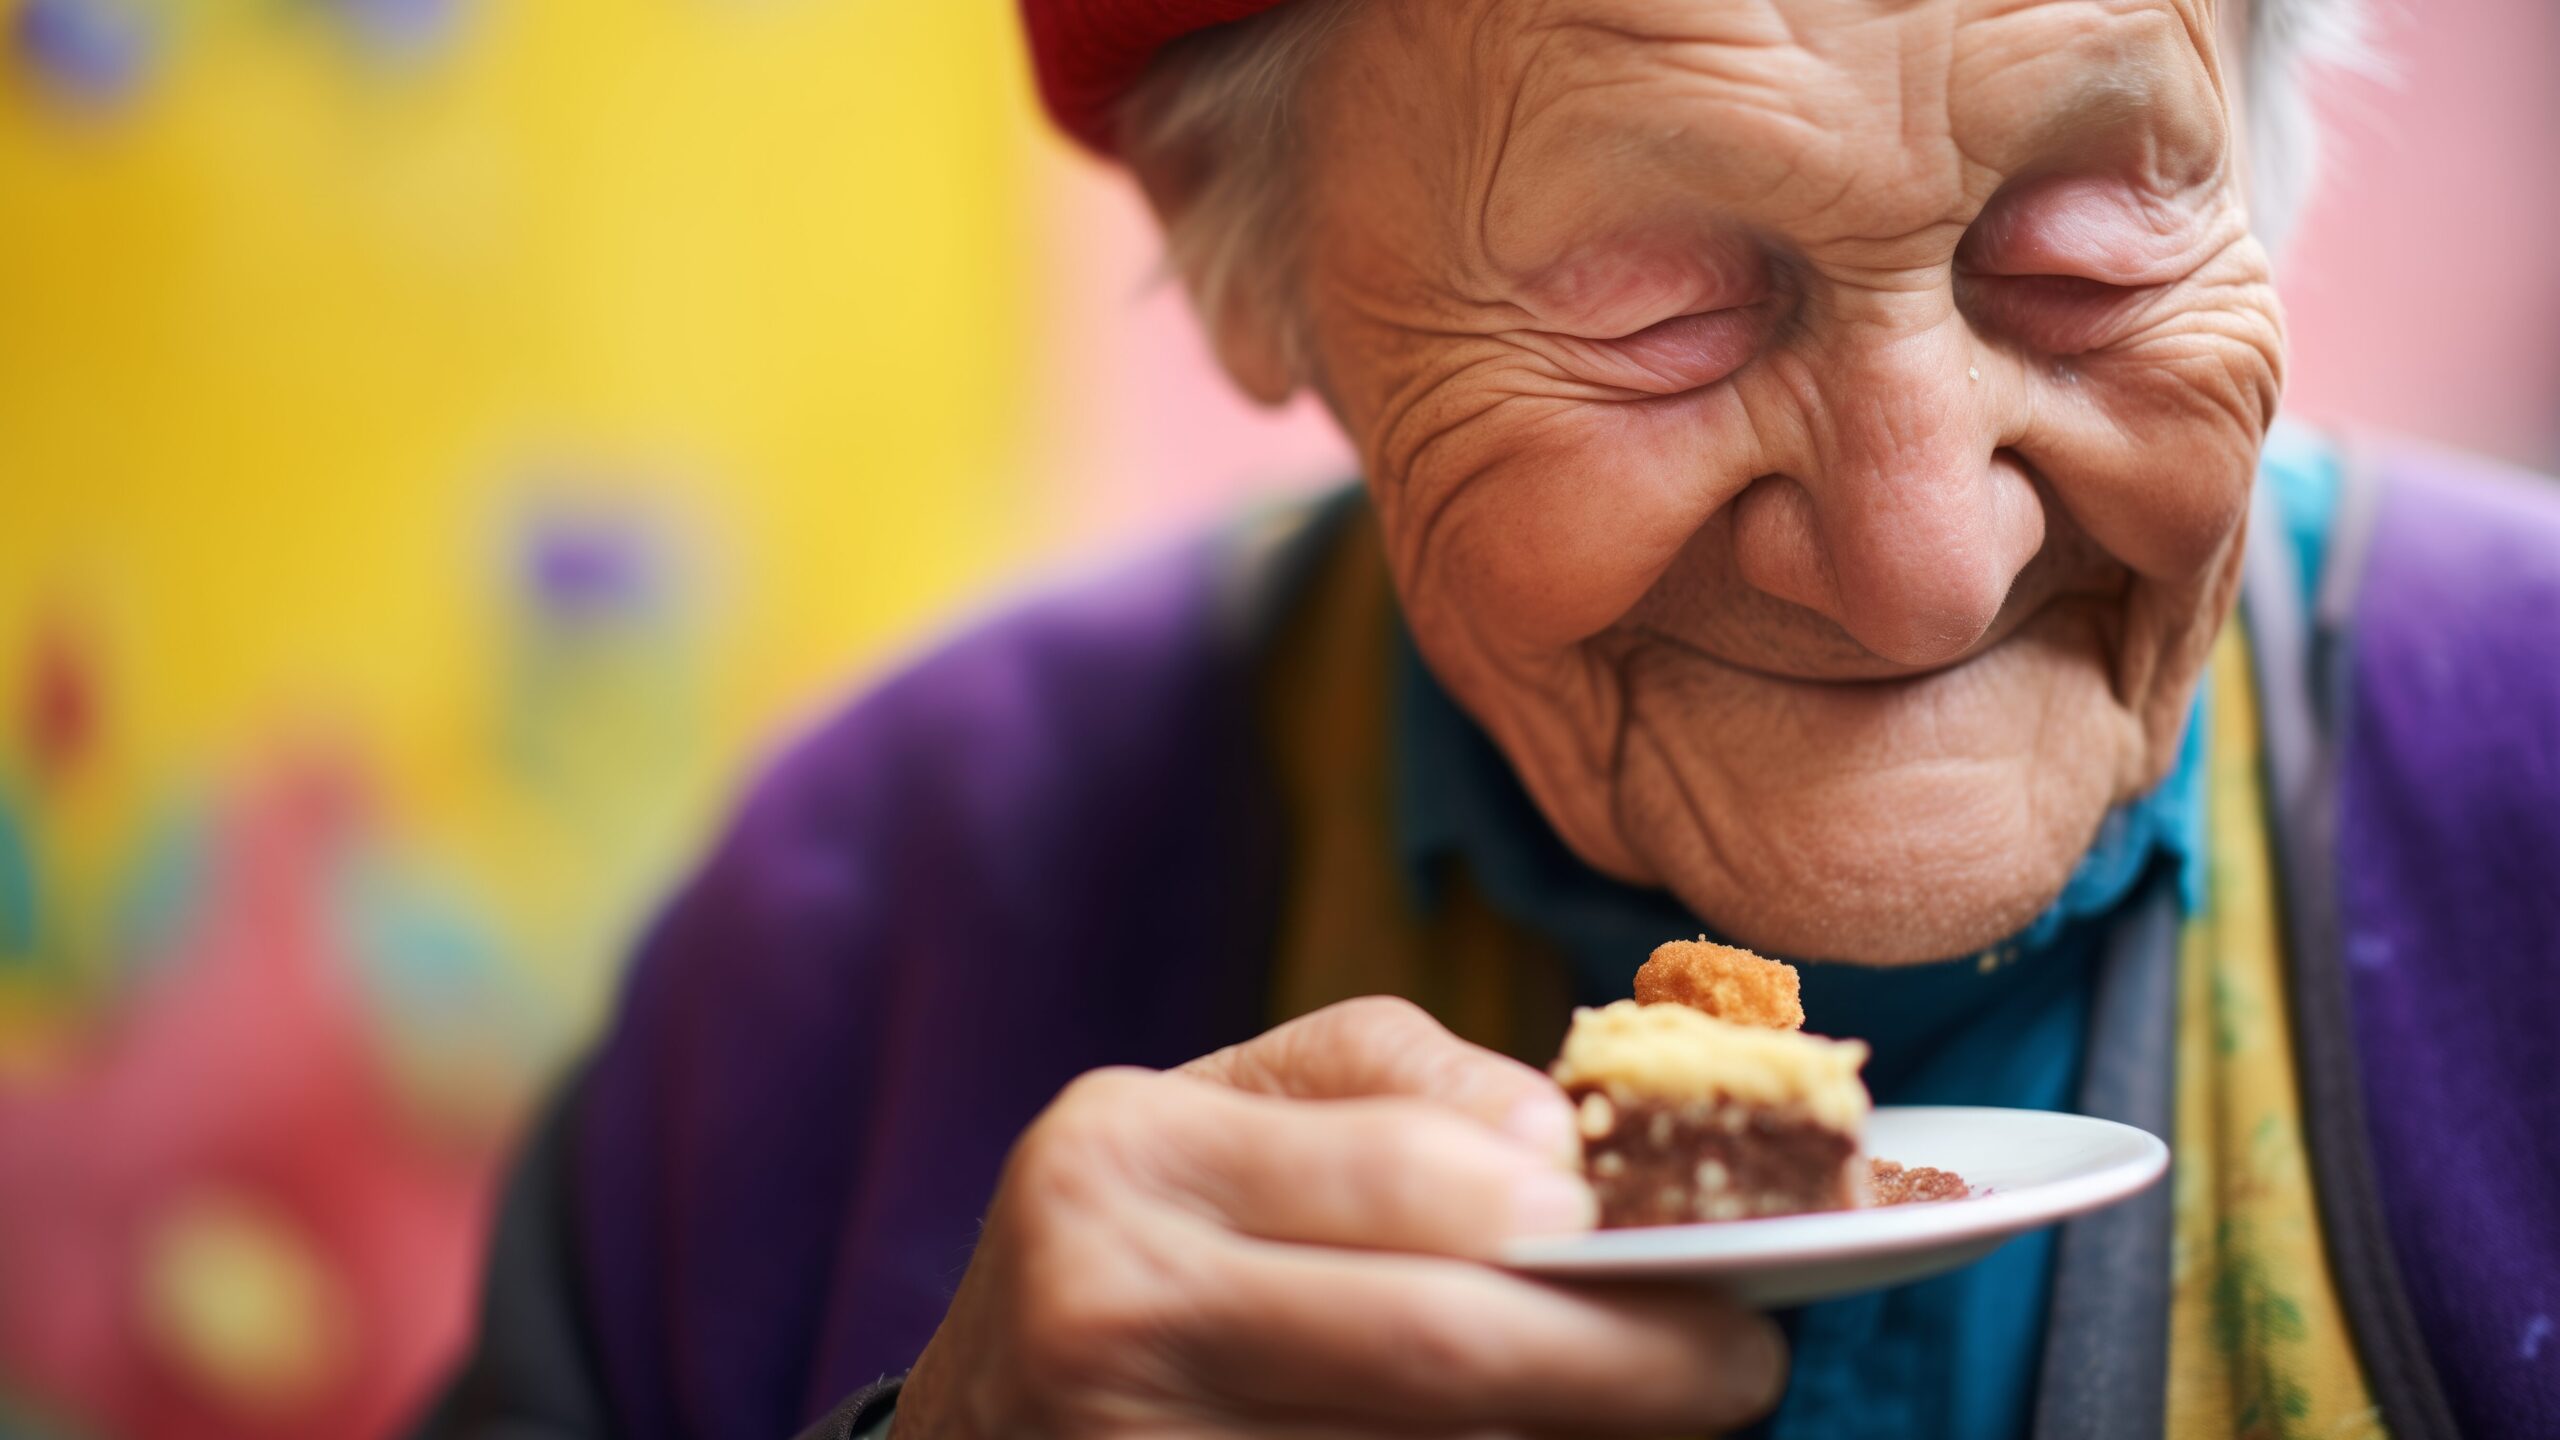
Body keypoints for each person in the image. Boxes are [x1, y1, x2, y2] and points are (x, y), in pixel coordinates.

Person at [418, 0, 2560, 1436]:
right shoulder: (858, 952)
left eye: (2081, 262)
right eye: (1662, 314)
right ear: (1241, 251)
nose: (1924, 562)